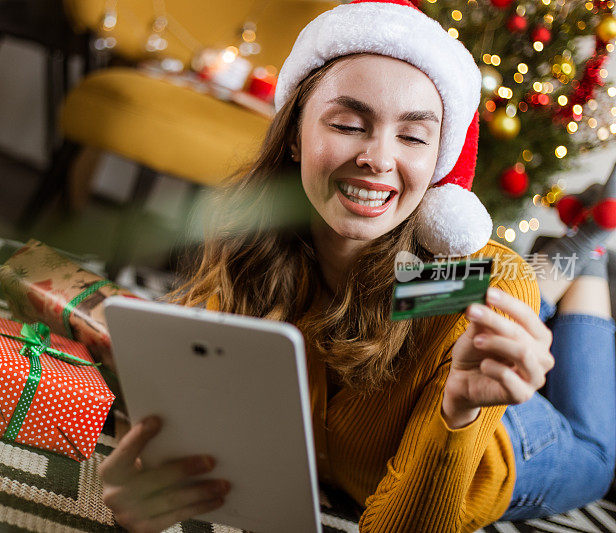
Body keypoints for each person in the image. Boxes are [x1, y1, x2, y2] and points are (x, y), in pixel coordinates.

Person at [96, 1, 616, 531]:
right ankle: (580, 249)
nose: (379, 158)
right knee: (487, 291)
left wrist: (458, 413)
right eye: (347, 123)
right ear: (295, 135)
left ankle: (591, 249)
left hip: (517, 443)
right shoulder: (252, 239)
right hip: (419, 313)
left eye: (413, 136)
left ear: (436, 160)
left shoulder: (460, 288)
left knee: (599, 454)